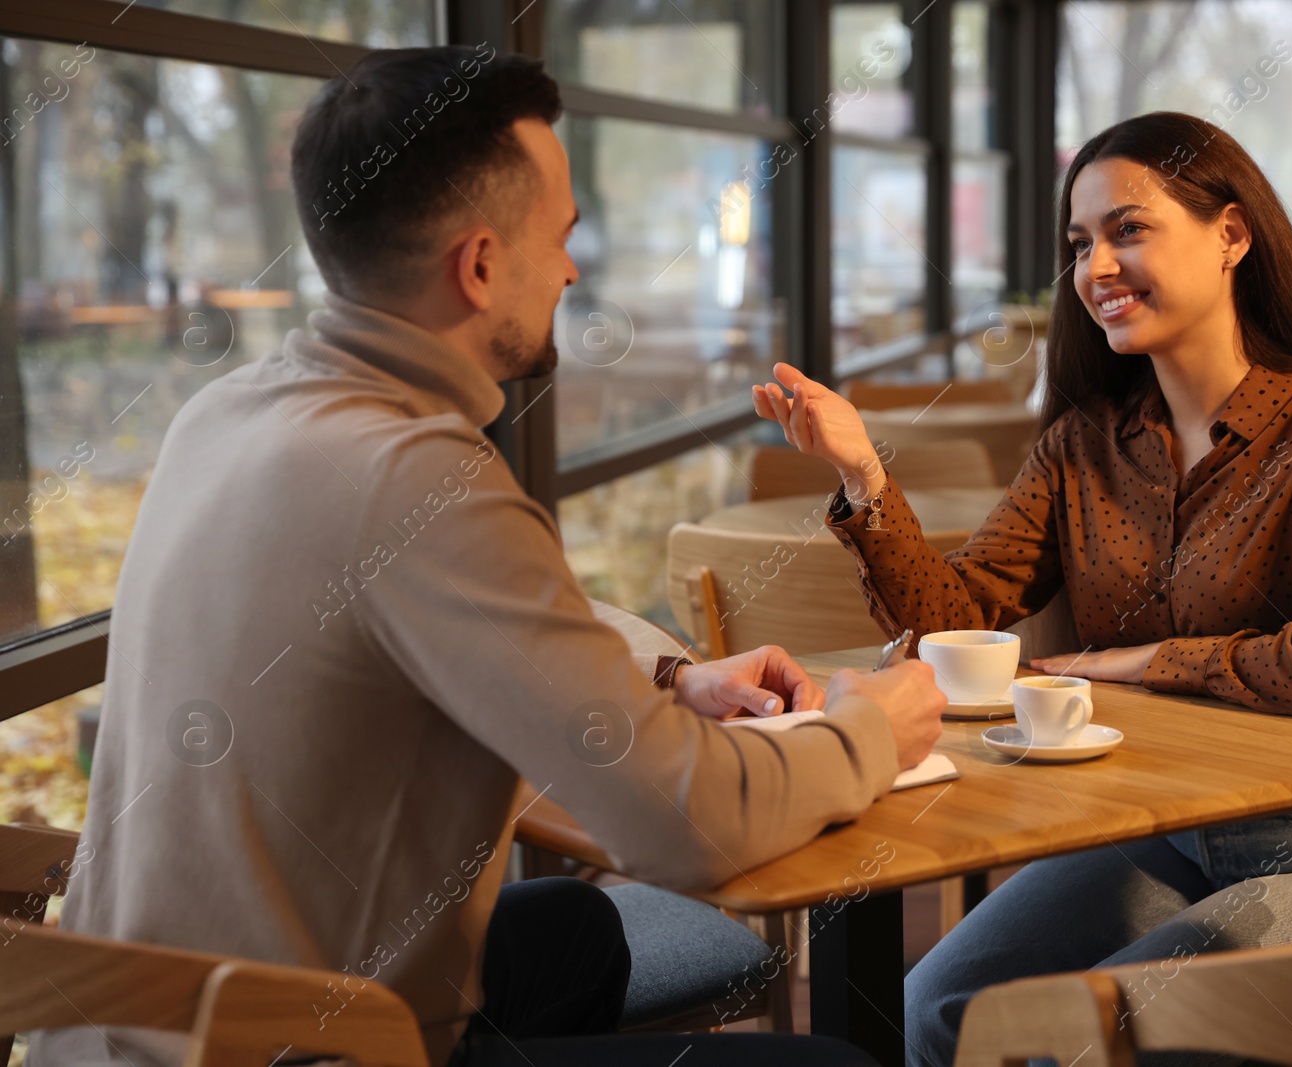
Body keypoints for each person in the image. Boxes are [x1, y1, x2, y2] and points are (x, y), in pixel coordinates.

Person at [26, 46, 947, 1067]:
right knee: (834, 1064)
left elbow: (439, 613)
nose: (570, 269)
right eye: (558, 238)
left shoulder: (228, 412)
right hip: (292, 1043)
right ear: (476, 266)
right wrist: (871, 726)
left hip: (128, 1021)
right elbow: (687, 824)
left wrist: (671, 675)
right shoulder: (420, 475)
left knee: (572, 929)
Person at [753, 111, 1292, 1067]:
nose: (1096, 268)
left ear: (1231, 234)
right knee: (934, 1007)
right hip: (1163, 827)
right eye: (1081, 243)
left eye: (1128, 229)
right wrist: (863, 478)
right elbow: (955, 624)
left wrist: (1143, 661)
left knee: (1091, 1035)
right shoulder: (1085, 440)